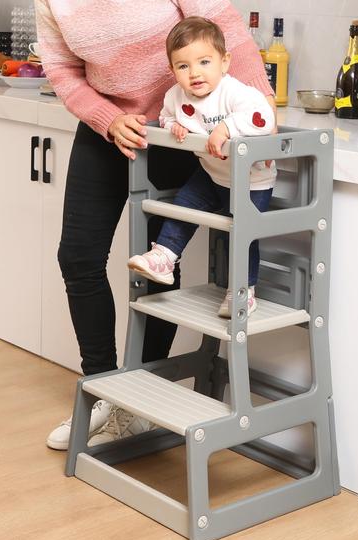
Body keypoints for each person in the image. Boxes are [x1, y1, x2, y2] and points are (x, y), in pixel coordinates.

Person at [34, 0, 275, 451]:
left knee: (161, 255)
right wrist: (107, 119)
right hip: (111, 128)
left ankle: (137, 402)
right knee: (79, 258)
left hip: (179, 127)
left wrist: (262, 120)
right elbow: (63, 70)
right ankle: (104, 388)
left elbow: (228, 34)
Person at [127, 17, 276, 317]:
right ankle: (164, 257)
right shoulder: (175, 96)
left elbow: (263, 118)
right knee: (184, 206)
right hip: (211, 173)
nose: (194, 73)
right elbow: (168, 115)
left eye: (204, 62)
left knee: (241, 233)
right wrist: (174, 127)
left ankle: (243, 292)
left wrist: (226, 128)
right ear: (173, 71)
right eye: (183, 66)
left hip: (250, 180)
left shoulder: (235, 92)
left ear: (224, 62)